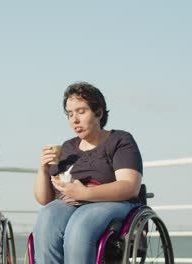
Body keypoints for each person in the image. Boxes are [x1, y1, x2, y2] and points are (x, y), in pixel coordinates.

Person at [33, 82, 143, 264]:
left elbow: (130, 186)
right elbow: (45, 198)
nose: (74, 119)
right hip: (70, 202)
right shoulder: (68, 147)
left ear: (98, 112)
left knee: (81, 225)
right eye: (70, 114)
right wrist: (43, 169)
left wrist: (85, 193)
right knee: (47, 216)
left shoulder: (120, 140)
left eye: (81, 111)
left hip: (113, 202)